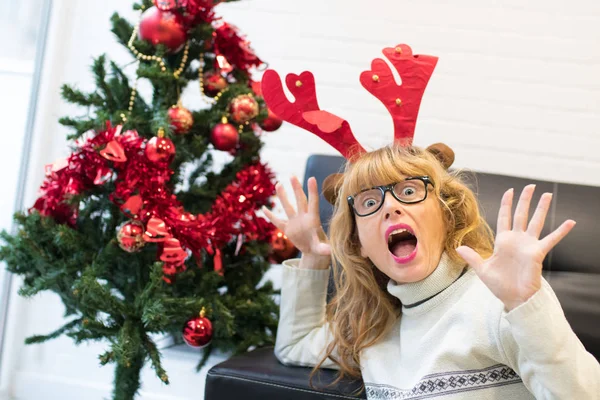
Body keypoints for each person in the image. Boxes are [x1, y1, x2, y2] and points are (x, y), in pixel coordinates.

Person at [259, 43, 600, 399]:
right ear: (358, 241)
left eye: (409, 192)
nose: (390, 208)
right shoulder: (375, 330)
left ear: (446, 213)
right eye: (370, 202)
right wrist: (314, 257)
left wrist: (527, 306)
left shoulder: (499, 303)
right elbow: (296, 345)